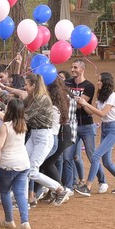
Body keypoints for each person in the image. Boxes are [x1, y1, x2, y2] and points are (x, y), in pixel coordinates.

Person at [74, 72, 115, 196]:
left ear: (106, 82)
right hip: (105, 129)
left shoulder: (112, 96)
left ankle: (88, 187)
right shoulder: (102, 95)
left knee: (95, 156)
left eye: (100, 80)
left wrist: (85, 103)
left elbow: (102, 113)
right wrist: (82, 104)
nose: (98, 82)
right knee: (106, 162)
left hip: (113, 130)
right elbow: (91, 112)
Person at [23, 73, 73, 206]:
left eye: (26, 85)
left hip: (43, 137)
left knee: (32, 170)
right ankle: (25, 199)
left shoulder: (41, 99)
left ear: (34, 86)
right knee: (23, 166)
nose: (24, 87)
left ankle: (60, 189)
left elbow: (25, 116)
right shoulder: (33, 98)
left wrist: (0, 111)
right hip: (35, 135)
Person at [65, 59, 107, 192]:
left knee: (91, 155)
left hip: (87, 126)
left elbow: (79, 105)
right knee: (68, 156)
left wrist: (69, 99)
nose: (72, 70)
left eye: (75, 67)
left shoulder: (89, 86)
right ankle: (69, 186)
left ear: (82, 69)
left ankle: (102, 181)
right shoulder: (67, 83)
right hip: (71, 125)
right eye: (71, 67)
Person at [0, 98, 31, 229]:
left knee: (4, 191)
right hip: (23, 163)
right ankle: (25, 221)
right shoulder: (22, 124)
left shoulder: (5, 126)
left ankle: (9, 220)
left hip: (8, 164)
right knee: (20, 193)